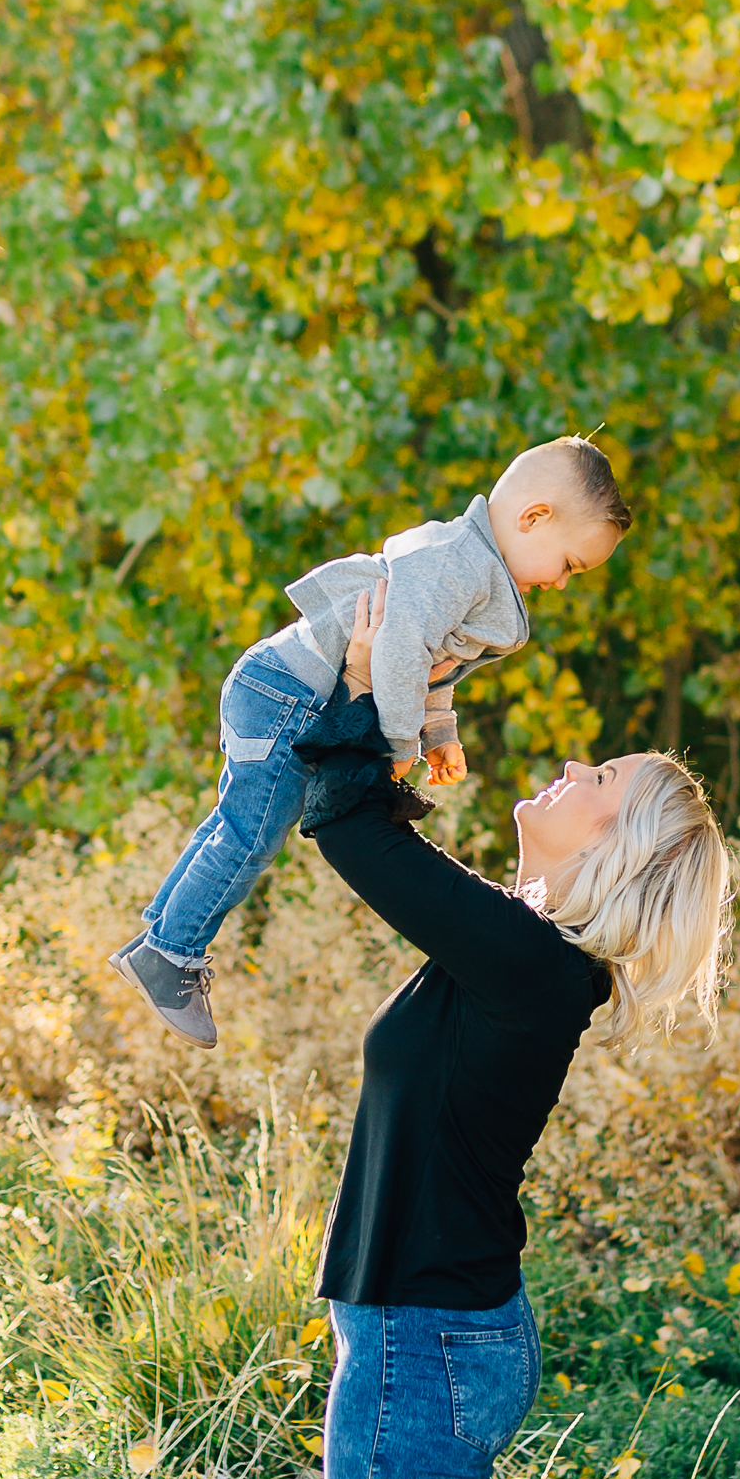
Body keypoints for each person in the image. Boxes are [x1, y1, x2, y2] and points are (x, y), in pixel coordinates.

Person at [297, 581, 729, 1479]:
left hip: (421, 1348)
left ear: (617, 844)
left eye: (593, 781)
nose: (566, 773)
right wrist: (406, 708)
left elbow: (350, 829)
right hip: (435, 1334)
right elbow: (400, 829)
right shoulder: (521, 951)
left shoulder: (529, 964)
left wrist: (360, 683)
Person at [112, 437, 631, 1048]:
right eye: (569, 564)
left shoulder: (471, 566)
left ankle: (161, 939)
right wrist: (395, 742)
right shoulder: (457, 564)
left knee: (235, 825)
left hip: (279, 685)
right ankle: (172, 954)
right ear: (533, 517)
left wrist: (437, 732)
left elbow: (430, 665)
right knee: (252, 834)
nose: (562, 584)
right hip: (289, 695)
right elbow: (400, 652)